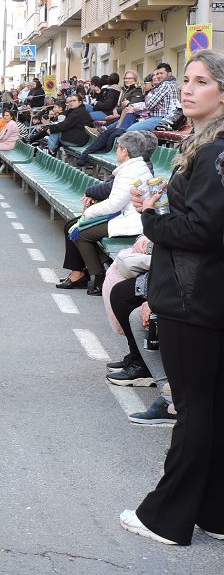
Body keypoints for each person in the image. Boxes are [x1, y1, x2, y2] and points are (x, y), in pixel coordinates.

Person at [120, 49, 224, 546]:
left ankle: (166, 517)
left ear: (222, 94)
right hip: (204, 294)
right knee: (213, 406)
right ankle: (215, 513)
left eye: (200, 81)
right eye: (185, 79)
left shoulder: (213, 152)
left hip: (192, 296)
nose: (187, 88)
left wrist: (152, 219)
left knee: (194, 408)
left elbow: (203, 229)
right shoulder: (208, 147)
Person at [56, 130, 156, 295]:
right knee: (76, 227)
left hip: (131, 221)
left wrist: (89, 214)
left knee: (80, 233)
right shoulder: (135, 166)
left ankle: (99, 277)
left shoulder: (131, 170)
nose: (116, 150)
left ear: (124, 151)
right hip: (126, 216)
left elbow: (115, 203)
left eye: (117, 147)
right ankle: (89, 271)